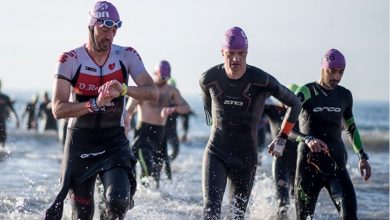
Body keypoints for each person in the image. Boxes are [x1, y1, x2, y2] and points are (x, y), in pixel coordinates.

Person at [45, 1, 159, 220]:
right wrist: (95, 104)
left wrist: (123, 89)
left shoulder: (126, 55)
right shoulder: (70, 59)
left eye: (114, 29)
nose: (110, 35)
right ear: (92, 26)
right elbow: (58, 109)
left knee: (118, 202)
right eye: (105, 29)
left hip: (113, 141)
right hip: (80, 143)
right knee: (82, 216)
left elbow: (152, 92)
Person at [199, 26, 302, 220]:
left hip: (246, 158)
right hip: (216, 153)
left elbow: (295, 103)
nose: (236, 59)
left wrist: (282, 137)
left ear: (247, 53)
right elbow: (207, 102)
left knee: (236, 216)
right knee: (210, 213)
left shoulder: (261, 80)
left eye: (241, 53)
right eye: (230, 53)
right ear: (222, 52)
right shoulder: (209, 79)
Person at [293, 49, 371, 220]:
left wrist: (362, 156)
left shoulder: (344, 95)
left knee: (350, 216)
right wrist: (308, 139)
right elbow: (287, 128)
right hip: (308, 165)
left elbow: (350, 127)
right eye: (332, 71)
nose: (336, 77)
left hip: (336, 165)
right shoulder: (306, 91)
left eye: (341, 72)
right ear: (323, 68)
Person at [125, 60, 191, 188]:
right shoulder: (144, 90)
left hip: (160, 135)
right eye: (162, 77)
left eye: (167, 78)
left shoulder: (171, 91)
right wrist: (125, 128)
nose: (164, 80)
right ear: (155, 74)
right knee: (147, 166)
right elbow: (128, 112)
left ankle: (151, 199)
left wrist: (174, 109)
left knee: (156, 174)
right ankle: (140, 192)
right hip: (143, 133)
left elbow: (186, 107)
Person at [264, 84, 299, 219]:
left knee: (298, 201)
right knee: (283, 202)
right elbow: (260, 98)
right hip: (281, 161)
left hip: (298, 162)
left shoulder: (302, 114)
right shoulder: (274, 110)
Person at [0, 79, 20, 148]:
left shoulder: (5, 97)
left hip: (2, 121)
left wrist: (17, 120)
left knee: (3, 138)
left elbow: (13, 109)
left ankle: (2, 152)